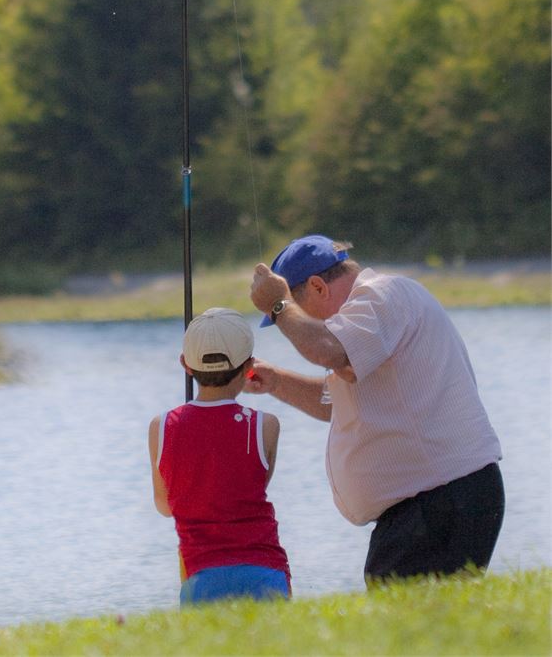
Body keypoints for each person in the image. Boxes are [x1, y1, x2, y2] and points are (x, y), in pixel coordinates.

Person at [248, 234, 504, 584]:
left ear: (318, 287)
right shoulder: (371, 316)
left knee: (405, 623)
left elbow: (326, 349)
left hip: (442, 499)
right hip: (435, 501)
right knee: (417, 623)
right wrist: (276, 380)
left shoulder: (381, 297)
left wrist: (279, 306)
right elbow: (337, 401)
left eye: (297, 310)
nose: (293, 328)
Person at [148, 307, 291, 606]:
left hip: (201, 574)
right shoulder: (264, 425)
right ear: (250, 366)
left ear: (186, 365)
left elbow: (165, 506)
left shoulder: (161, 428)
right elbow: (251, 487)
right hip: (265, 571)